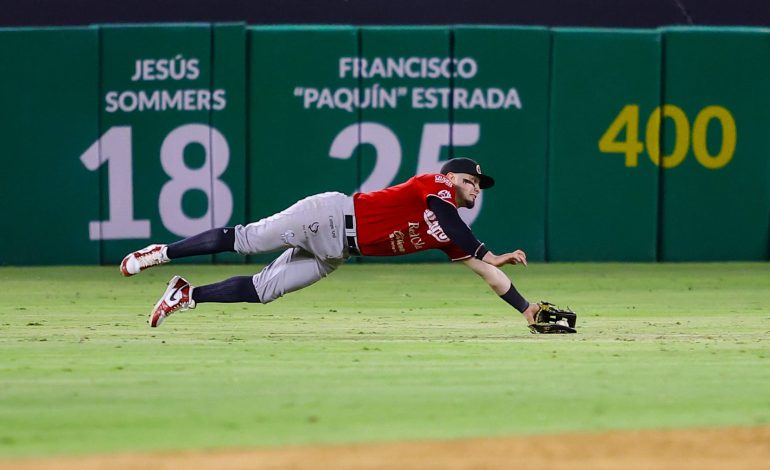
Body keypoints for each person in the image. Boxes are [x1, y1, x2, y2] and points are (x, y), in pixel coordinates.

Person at [121, 157, 546, 329]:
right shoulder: (435, 186)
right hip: (326, 216)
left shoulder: (451, 232)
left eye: (479, 184)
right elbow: (453, 220)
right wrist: (488, 250)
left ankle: (184, 294)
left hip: (338, 251)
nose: (476, 188)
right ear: (451, 177)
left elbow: (488, 274)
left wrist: (525, 308)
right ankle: (161, 253)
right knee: (247, 240)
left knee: (263, 290)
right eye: (469, 180)